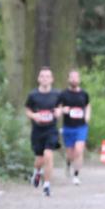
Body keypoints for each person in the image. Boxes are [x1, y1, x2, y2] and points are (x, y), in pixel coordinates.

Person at [24, 67, 63, 197]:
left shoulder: (57, 94)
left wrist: (59, 112)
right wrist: (34, 116)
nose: (45, 78)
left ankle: (46, 185)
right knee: (39, 158)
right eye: (42, 76)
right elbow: (27, 110)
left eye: (47, 76)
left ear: (52, 79)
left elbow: (60, 107)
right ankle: (36, 172)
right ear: (39, 79)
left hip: (51, 129)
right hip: (37, 130)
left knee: (48, 154)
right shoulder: (33, 95)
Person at [58, 70, 91, 185]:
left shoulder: (84, 94)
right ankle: (68, 162)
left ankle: (76, 175)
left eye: (76, 77)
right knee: (70, 154)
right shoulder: (63, 94)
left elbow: (88, 106)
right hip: (68, 127)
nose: (74, 79)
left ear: (79, 79)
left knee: (79, 149)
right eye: (72, 77)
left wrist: (87, 116)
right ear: (68, 79)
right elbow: (57, 109)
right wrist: (63, 110)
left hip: (81, 127)